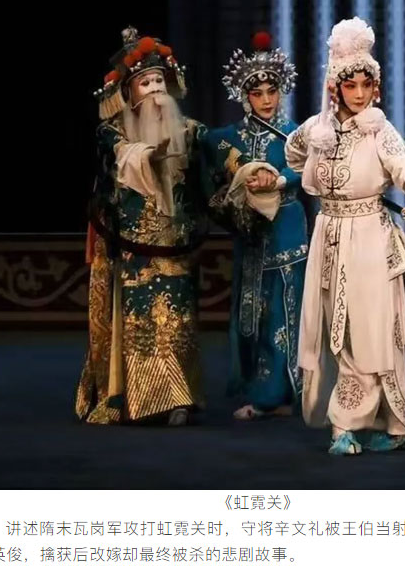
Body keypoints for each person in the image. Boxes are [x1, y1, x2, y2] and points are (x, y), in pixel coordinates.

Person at [284, 17, 405, 455]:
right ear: (335, 87)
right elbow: (293, 152)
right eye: (350, 85)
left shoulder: (379, 130)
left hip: (369, 240)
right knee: (334, 327)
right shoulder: (316, 130)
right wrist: (311, 146)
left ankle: (348, 424)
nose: (359, 94)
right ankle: (379, 423)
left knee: (369, 331)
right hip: (329, 235)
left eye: (366, 85)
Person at [75, 27, 207, 426]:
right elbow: (120, 156)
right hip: (134, 249)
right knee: (141, 323)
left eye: (159, 82)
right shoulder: (113, 132)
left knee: (178, 321)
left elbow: (217, 161)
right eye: (145, 83)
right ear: (129, 92)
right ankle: (139, 397)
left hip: (175, 244)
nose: (155, 90)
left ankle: (180, 398)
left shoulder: (189, 131)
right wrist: (149, 155)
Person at [202, 32, 308, 420]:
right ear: (244, 96)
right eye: (257, 92)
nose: (266, 99)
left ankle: (276, 395)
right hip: (251, 237)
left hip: (287, 231)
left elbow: (307, 169)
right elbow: (208, 161)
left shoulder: (296, 135)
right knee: (252, 315)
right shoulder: (229, 139)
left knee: (284, 313)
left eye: (272, 91)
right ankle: (258, 387)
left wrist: (277, 179)